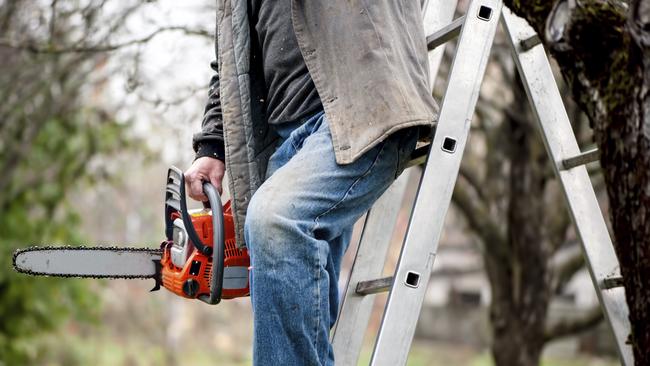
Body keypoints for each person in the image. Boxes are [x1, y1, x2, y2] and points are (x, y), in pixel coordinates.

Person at [184, 1, 438, 364]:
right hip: (287, 142)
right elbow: (231, 63)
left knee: (276, 220)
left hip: (362, 109)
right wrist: (212, 143)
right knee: (301, 313)